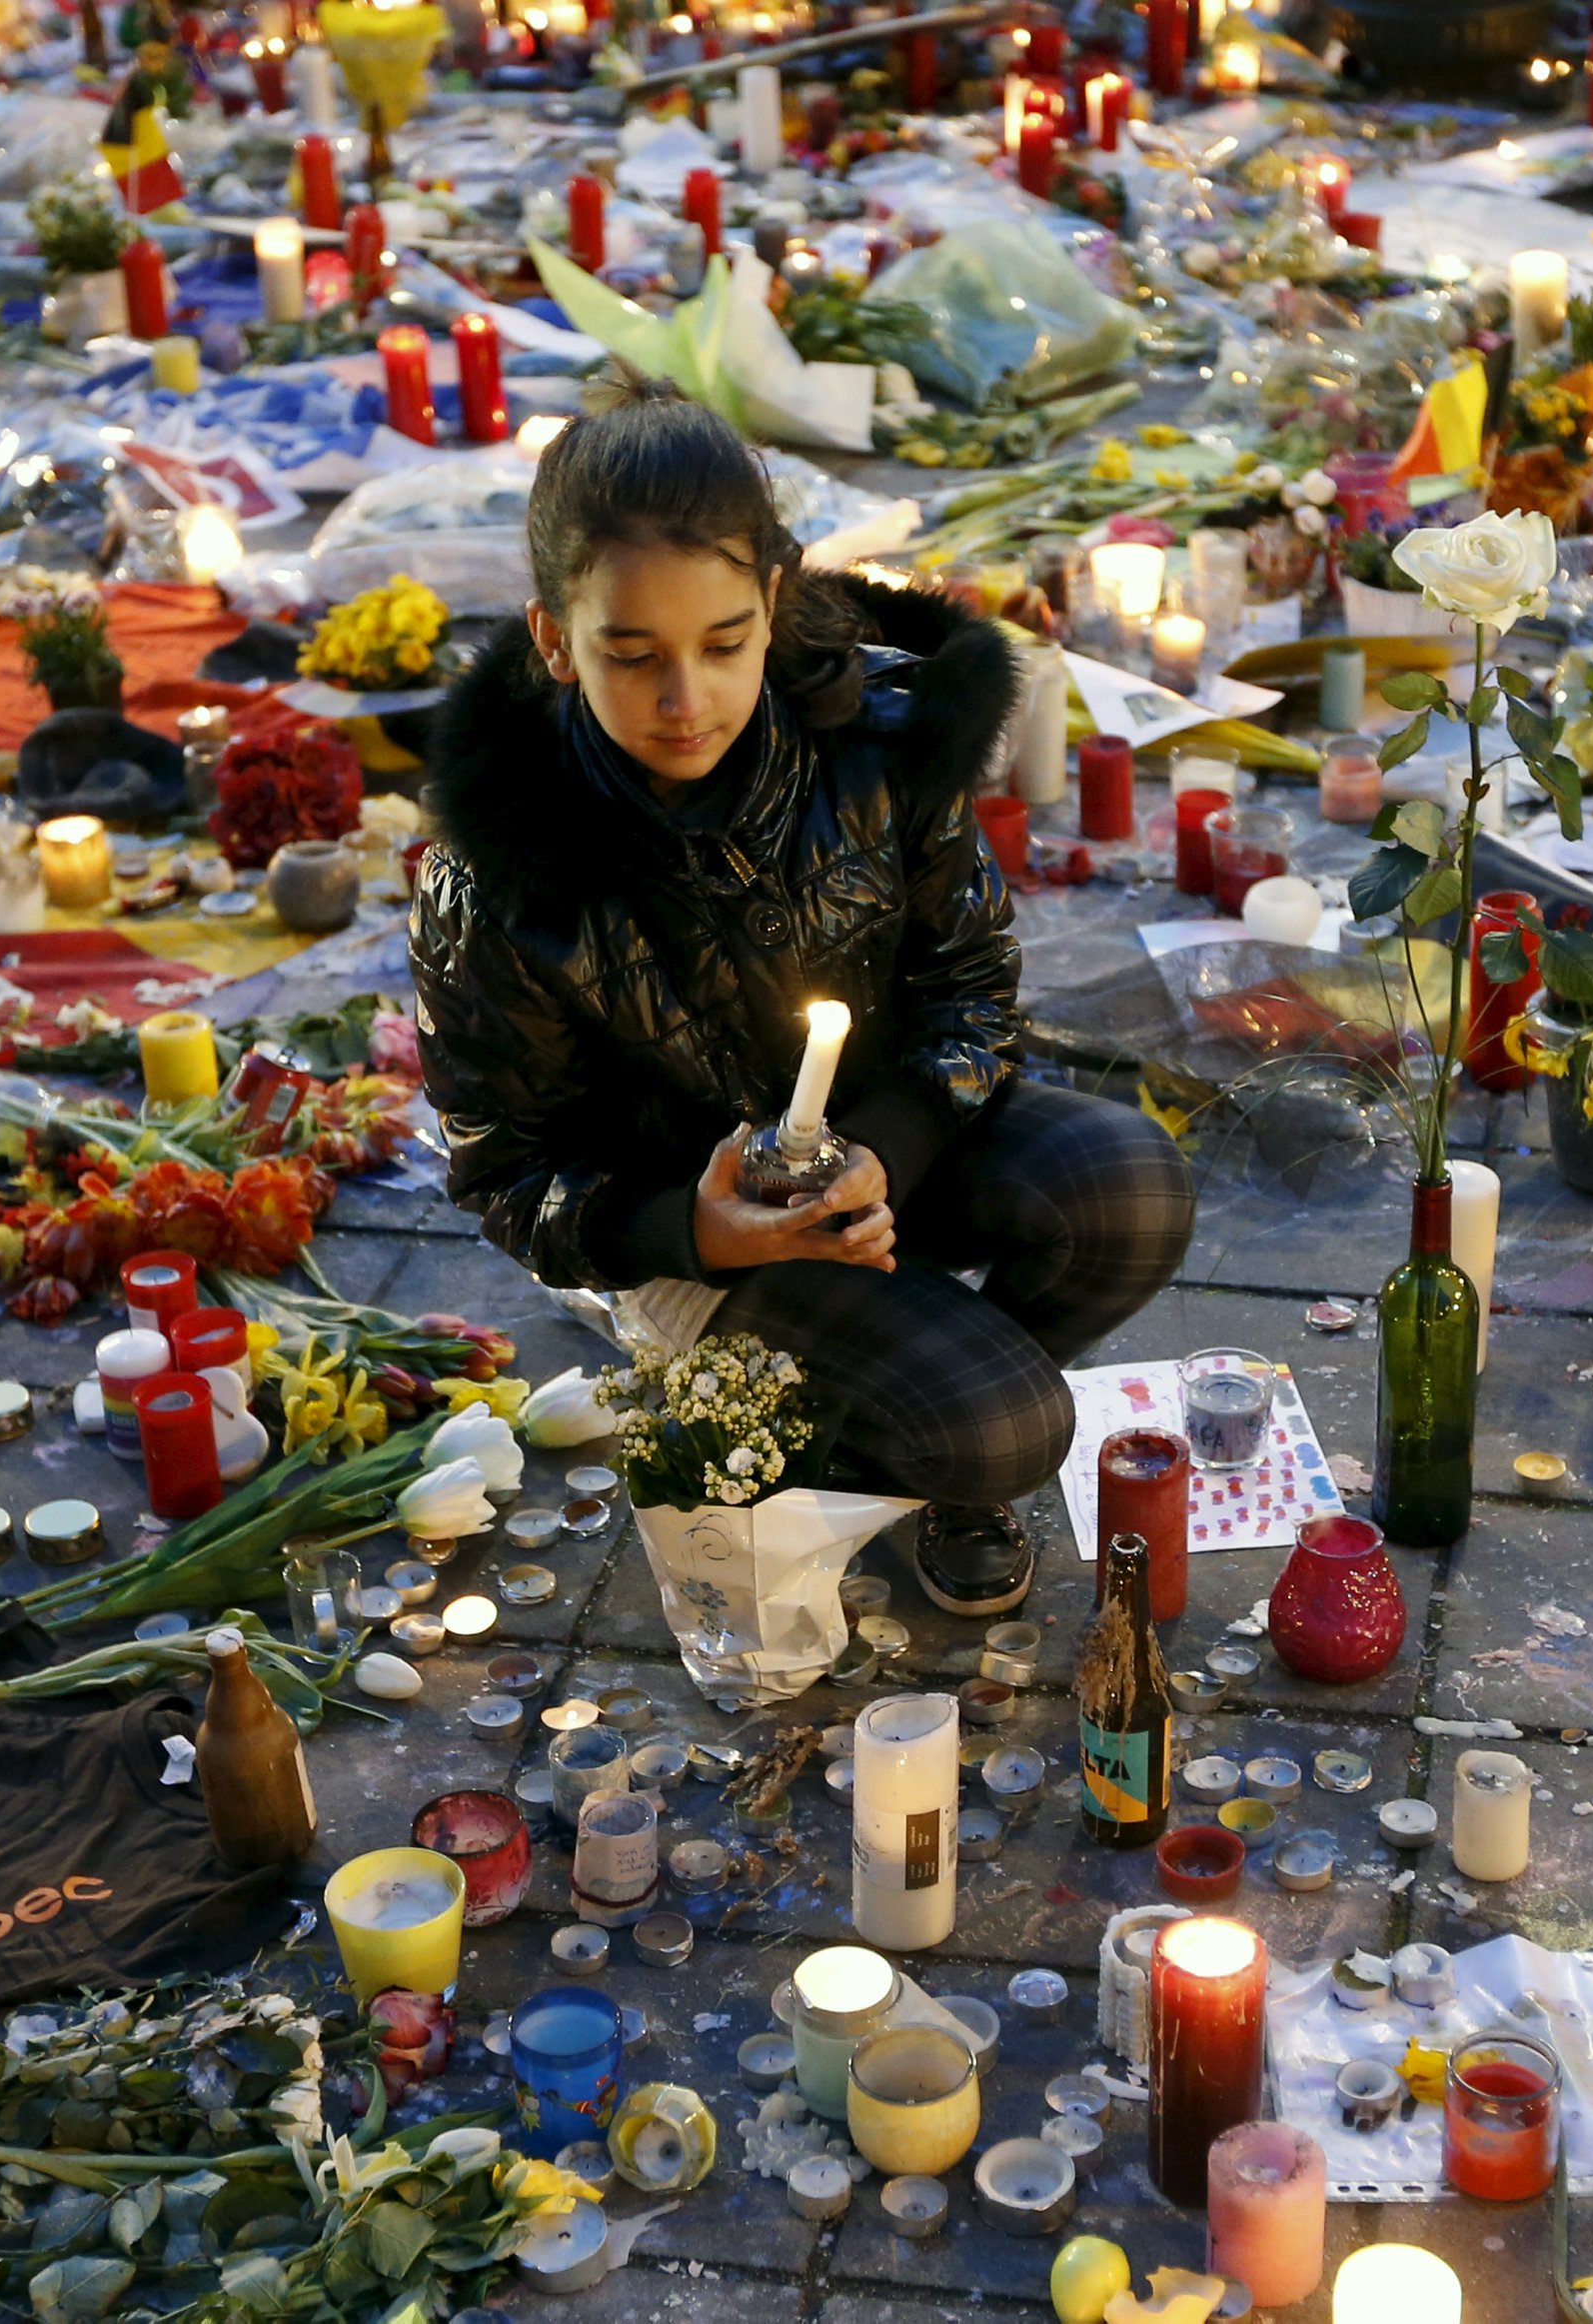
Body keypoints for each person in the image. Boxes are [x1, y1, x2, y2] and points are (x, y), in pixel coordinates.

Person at [410, 383, 1195, 1617]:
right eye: (630, 655)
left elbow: (970, 989)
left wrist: (882, 1151)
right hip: (688, 1228)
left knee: (1132, 1191)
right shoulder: (501, 876)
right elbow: (503, 1174)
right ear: (555, 641)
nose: (686, 700)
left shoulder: (880, 749)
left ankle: (900, 1400)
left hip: (888, 1153)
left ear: (773, 605)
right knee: (1010, 1427)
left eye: (724, 644)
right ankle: (809, 1439)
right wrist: (695, 1231)